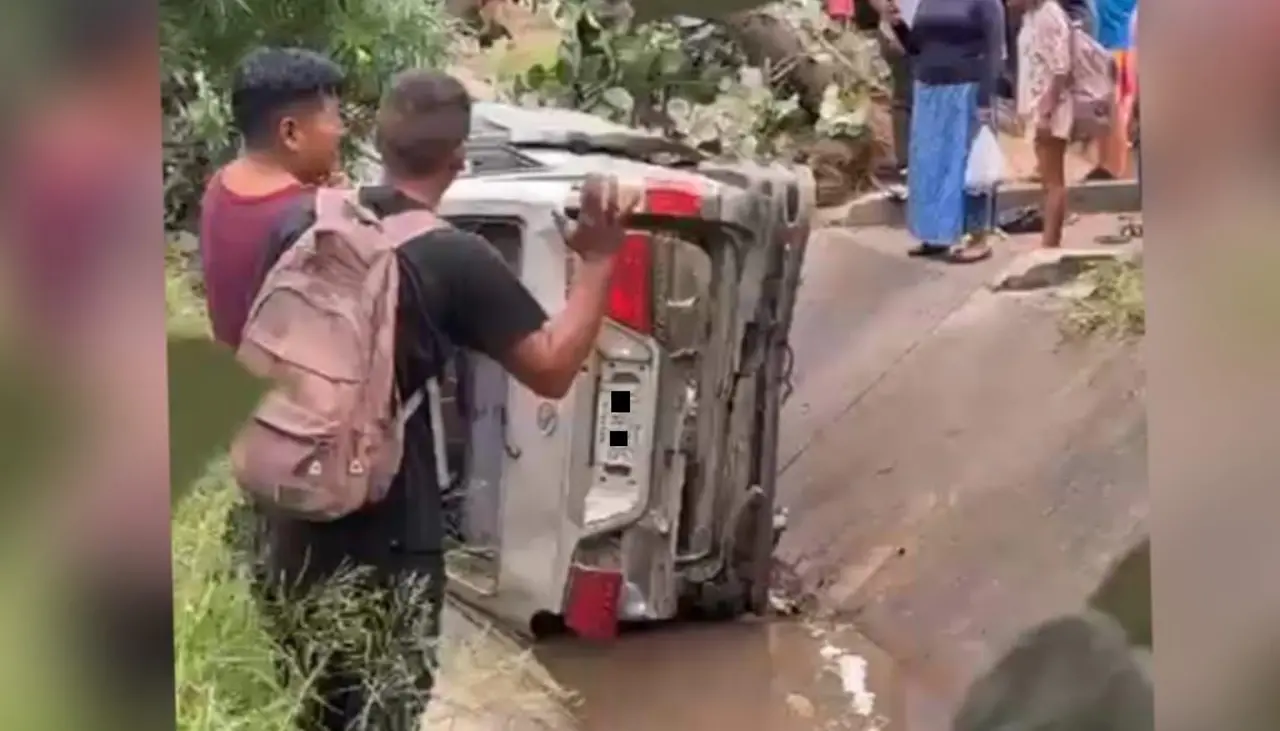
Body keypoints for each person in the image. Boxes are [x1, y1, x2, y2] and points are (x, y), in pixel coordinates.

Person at [252, 69, 635, 731]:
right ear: (459, 160)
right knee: (382, 711)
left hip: (287, 513)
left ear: (379, 143)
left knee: (306, 705)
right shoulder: (457, 259)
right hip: (387, 534)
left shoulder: (302, 222)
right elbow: (550, 366)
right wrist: (599, 261)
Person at [198, 47, 347, 349]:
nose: (341, 131)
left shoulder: (220, 185)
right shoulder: (315, 219)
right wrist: (342, 209)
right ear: (290, 133)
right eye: (334, 118)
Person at [891, 0, 1005, 263]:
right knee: (929, 165)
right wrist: (899, 27)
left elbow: (994, 50)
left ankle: (978, 238)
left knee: (969, 167)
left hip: (966, 90)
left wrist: (986, 98)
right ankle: (935, 235)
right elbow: (917, 47)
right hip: (929, 91)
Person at [1013, 0, 1073, 248]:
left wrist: (1047, 111)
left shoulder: (1047, 15)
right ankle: (1049, 240)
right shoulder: (1031, 16)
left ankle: (1050, 243)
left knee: (1053, 179)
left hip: (1050, 107)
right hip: (1039, 105)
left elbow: (1060, 68)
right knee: (1047, 179)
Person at [1085, 0, 1137, 179]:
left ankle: (1113, 167)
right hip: (1118, 46)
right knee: (1113, 107)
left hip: (1113, 46)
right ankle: (1108, 164)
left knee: (1114, 109)